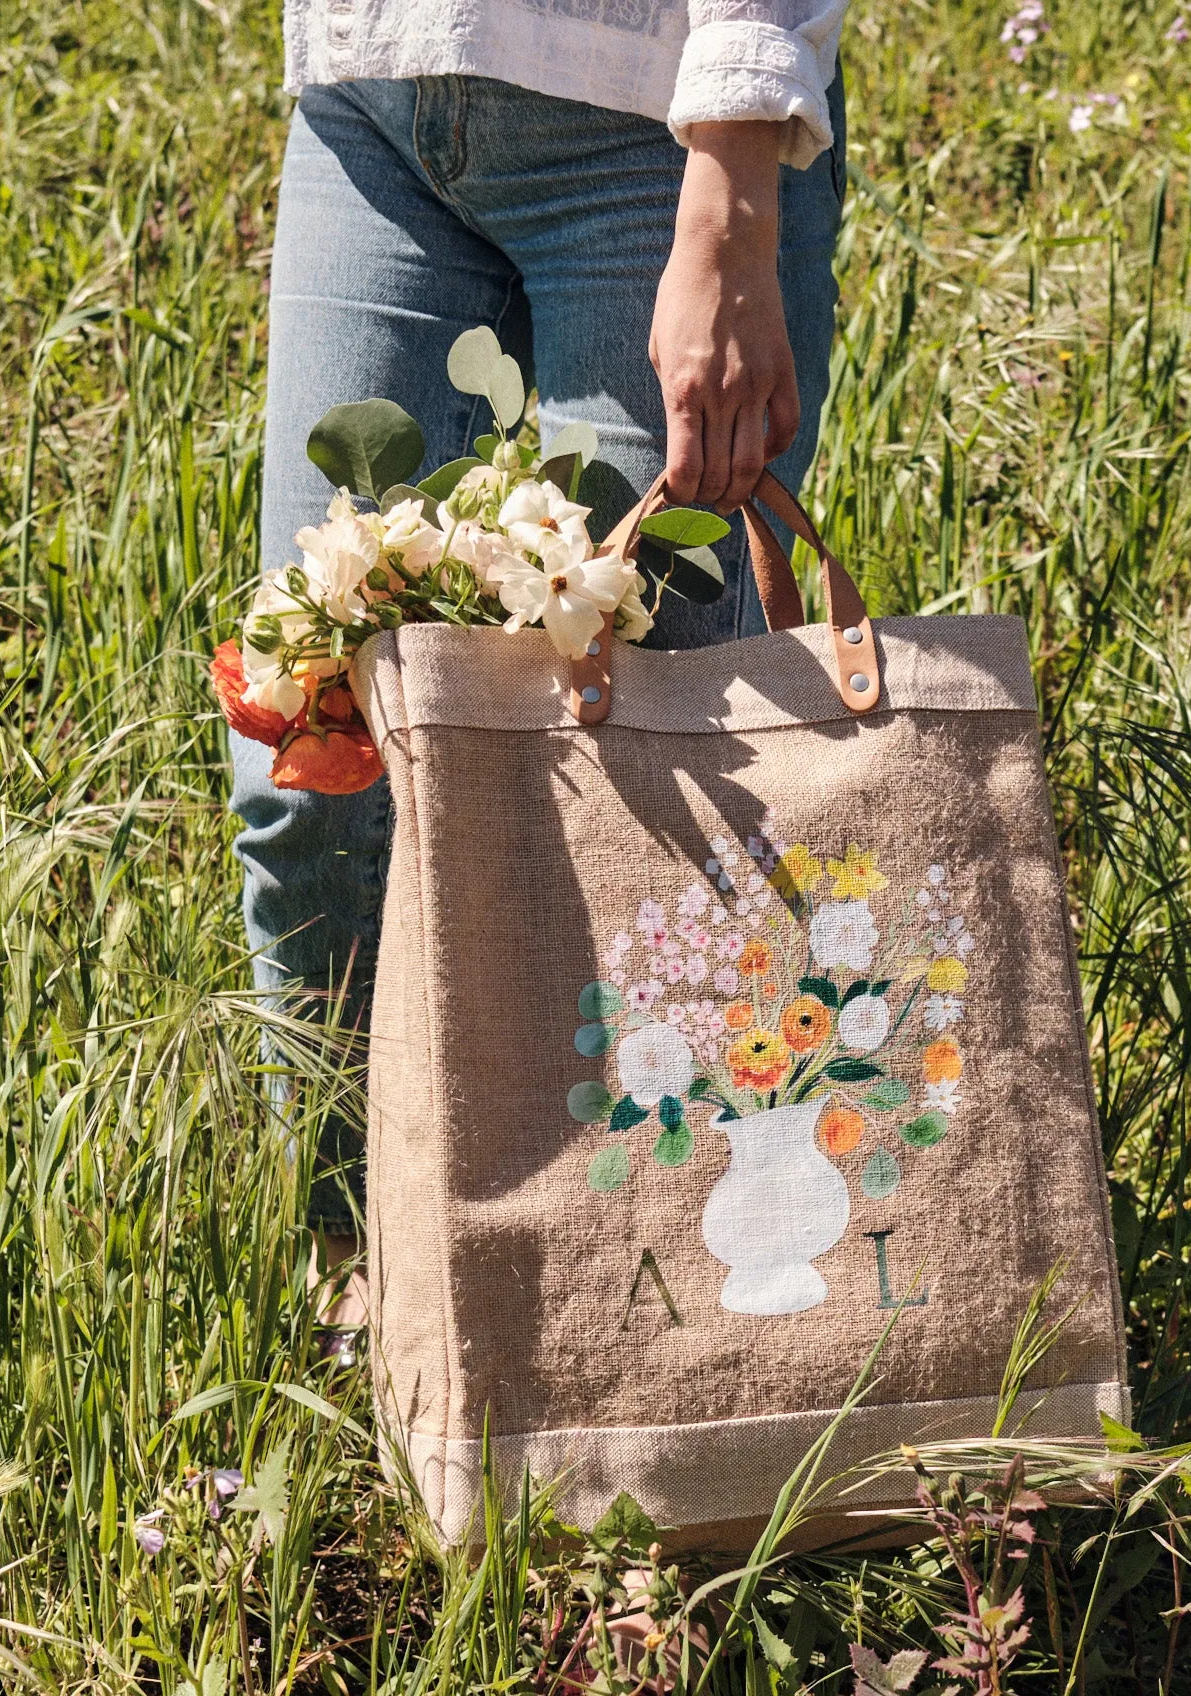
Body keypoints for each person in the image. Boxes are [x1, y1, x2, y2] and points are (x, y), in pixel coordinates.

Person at [232, 2, 850, 1320]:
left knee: (655, 781)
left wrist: (734, 198)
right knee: (306, 760)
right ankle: (372, 1304)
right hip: (373, 90)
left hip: (650, 123)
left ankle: (652, 1320)